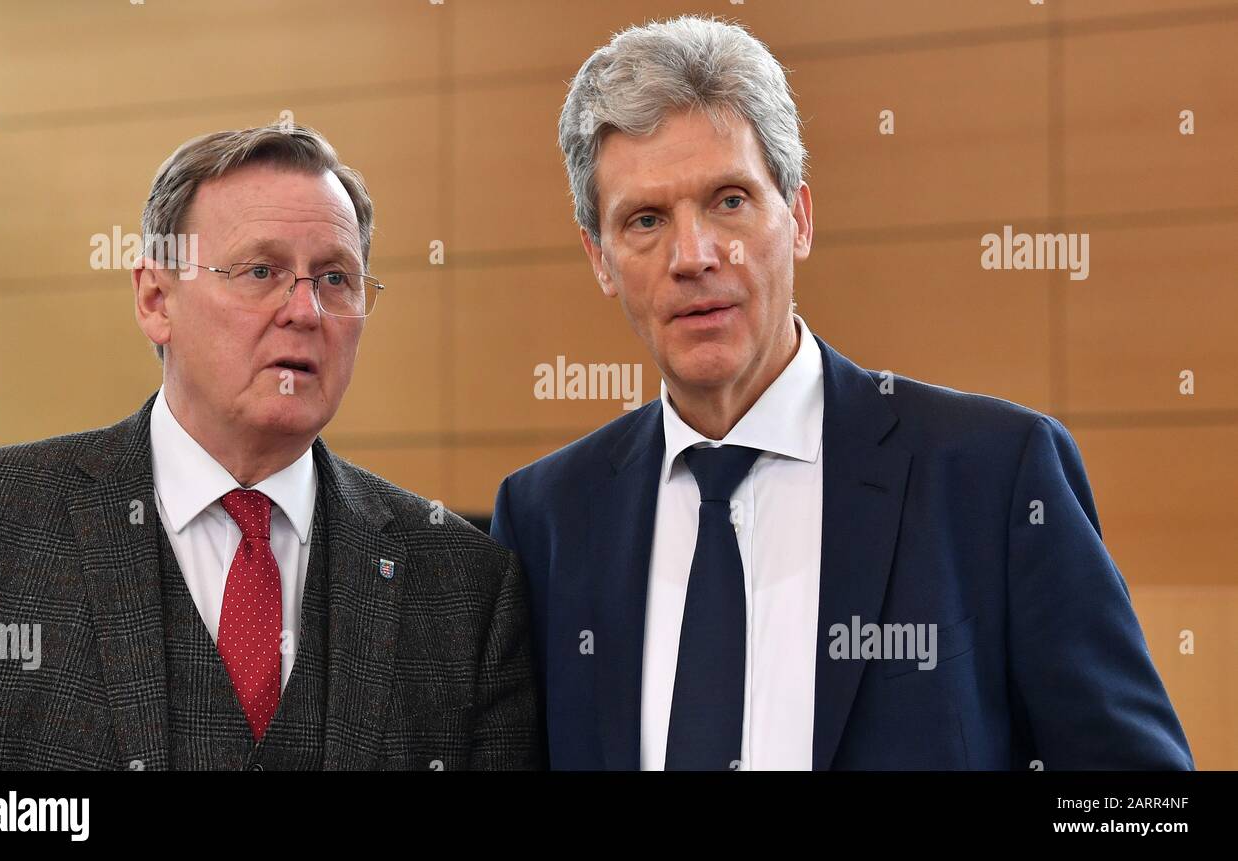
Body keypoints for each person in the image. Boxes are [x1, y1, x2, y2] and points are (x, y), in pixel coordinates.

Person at [490, 16, 1192, 771]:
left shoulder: (994, 478)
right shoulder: (546, 522)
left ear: (798, 219)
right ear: (600, 259)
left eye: (729, 200)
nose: (692, 256)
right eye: (646, 219)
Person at [0, 124, 539, 770]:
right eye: (261, 270)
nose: (306, 311)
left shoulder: (467, 585)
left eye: (336, 278)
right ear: (155, 298)